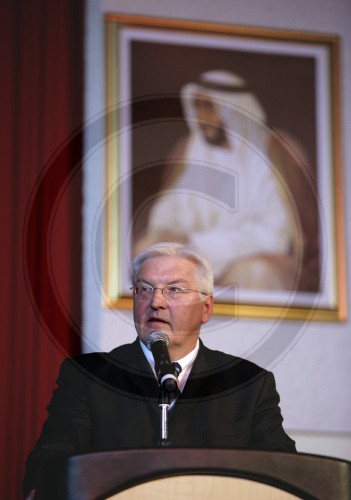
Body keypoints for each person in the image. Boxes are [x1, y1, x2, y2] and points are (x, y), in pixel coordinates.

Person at [23, 242, 296, 498]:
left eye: (174, 290)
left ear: (206, 307)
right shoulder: (88, 376)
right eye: (144, 289)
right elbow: (50, 463)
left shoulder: (249, 384)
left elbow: (283, 473)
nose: (156, 302)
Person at [134, 70, 301, 291]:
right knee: (147, 246)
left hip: (245, 256)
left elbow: (275, 235)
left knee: (255, 272)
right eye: (198, 107)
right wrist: (167, 229)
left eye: (210, 108)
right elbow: (171, 205)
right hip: (192, 250)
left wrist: (197, 243)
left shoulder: (268, 153)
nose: (202, 117)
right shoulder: (194, 148)